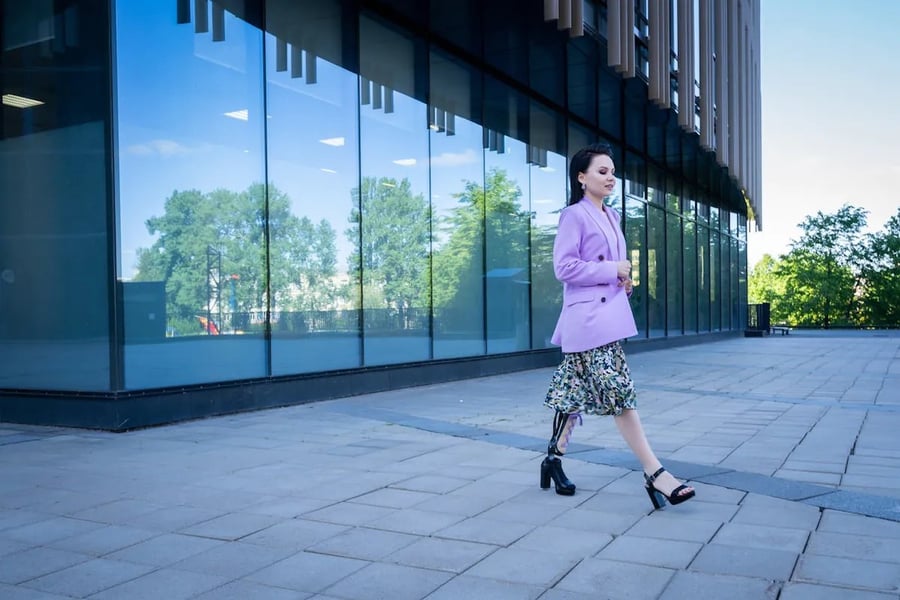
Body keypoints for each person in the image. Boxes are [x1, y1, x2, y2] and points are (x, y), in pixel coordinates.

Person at [539, 142, 695, 510]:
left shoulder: (612, 216)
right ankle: (655, 473)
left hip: (606, 318)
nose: (611, 178)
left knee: (570, 395)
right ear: (581, 177)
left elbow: (609, 266)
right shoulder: (573, 216)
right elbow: (564, 268)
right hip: (587, 321)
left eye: (612, 172)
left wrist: (621, 279)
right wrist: (612, 269)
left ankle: (552, 460)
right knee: (619, 394)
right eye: (602, 172)